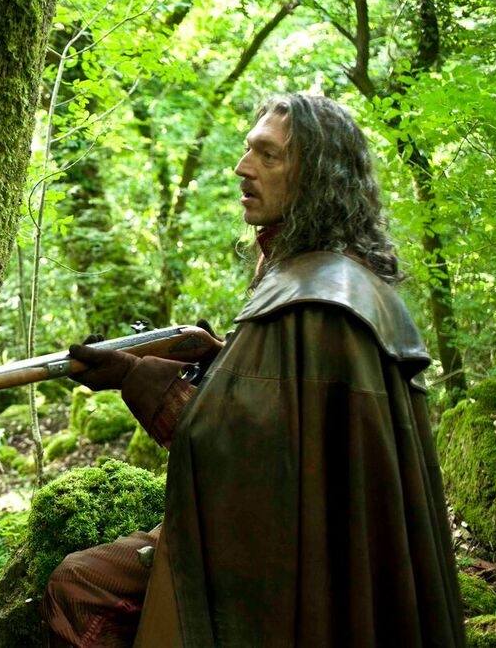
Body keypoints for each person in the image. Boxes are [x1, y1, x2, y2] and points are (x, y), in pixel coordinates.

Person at [39, 93, 465, 647]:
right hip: (310, 539)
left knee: (79, 586)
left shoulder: (313, 298)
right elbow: (289, 405)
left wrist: (131, 376)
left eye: (269, 155)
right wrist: (215, 354)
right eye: (247, 150)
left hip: (284, 557)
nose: (243, 167)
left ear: (318, 177)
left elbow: (236, 451)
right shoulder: (336, 278)